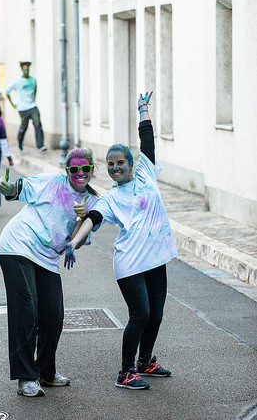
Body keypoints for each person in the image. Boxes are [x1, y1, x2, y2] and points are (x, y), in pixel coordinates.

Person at [64, 92, 177, 390]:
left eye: (119, 163)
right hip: (129, 263)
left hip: (155, 258)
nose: (115, 169)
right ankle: (125, 372)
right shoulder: (111, 198)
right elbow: (93, 219)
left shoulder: (146, 174)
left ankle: (145, 362)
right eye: (110, 165)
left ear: (130, 163)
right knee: (140, 314)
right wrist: (74, 242)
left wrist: (143, 109)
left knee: (157, 313)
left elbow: (147, 141)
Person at [0, 148, 99, 397]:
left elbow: (77, 240)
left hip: (48, 256)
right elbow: (16, 190)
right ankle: (26, 377)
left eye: (85, 169)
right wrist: (6, 187)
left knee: (54, 315)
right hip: (17, 245)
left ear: (92, 170)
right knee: (26, 311)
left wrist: (79, 222)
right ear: (67, 170)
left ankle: (46, 371)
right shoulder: (50, 182)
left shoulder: (93, 201)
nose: (80, 173)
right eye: (74, 169)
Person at [5, 61, 47, 152]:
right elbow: (7, 92)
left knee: (37, 124)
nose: (26, 71)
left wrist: (33, 100)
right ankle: (20, 141)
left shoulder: (33, 80)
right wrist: (13, 104)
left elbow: (35, 89)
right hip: (22, 108)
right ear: (22, 70)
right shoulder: (17, 81)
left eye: (27, 70)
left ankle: (40, 145)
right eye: (24, 70)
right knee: (24, 126)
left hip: (32, 106)